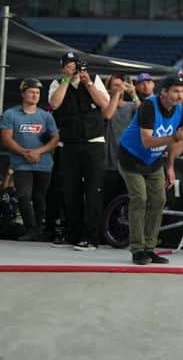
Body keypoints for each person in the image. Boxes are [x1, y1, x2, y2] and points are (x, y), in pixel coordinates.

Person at [116, 74, 183, 265]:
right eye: (176, 91)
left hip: (154, 161)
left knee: (159, 200)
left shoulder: (180, 109)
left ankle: (150, 248)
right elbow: (147, 141)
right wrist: (174, 138)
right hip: (131, 157)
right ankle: (137, 249)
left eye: (182, 91)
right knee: (139, 198)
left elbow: (179, 140)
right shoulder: (149, 106)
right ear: (164, 92)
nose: (180, 95)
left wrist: (171, 166)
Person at [48, 51, 111, 250]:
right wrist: (66, 79)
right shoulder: (57, 82)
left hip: (94, 142)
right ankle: (73, 235)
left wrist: (88, 83)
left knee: (93, 191)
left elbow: (104, 104)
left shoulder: (93, 79)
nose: (72, 67)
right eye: (68, 65)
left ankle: (91, 238)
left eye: (74, 64)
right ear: (62, 67)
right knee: (70, 191)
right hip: (69, 144)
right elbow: (55, 103)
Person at [1, 78, 59, 241]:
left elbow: (55, 138)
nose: (35, 95)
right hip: (21, 164)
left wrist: (38, 152)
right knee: (24, 196)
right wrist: (25, 153)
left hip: (43, 164)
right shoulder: (10, 114)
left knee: (40, 198)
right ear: (23, 93)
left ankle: (39, 229)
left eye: (38, 93)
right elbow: (7, 139)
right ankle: (31, 229)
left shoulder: (46, 116)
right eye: (32, 92)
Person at [102, 74, 138, 203]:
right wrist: (116, 95)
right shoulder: (104, 105)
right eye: (115, 86)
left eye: (121, 85)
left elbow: (144, 113)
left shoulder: (130, 106)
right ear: (109, 89)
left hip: (127, 161)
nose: (119, 88)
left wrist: (134, 94)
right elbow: (108, 115)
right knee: (108, 200)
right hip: (109, 162)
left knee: (128, 199)